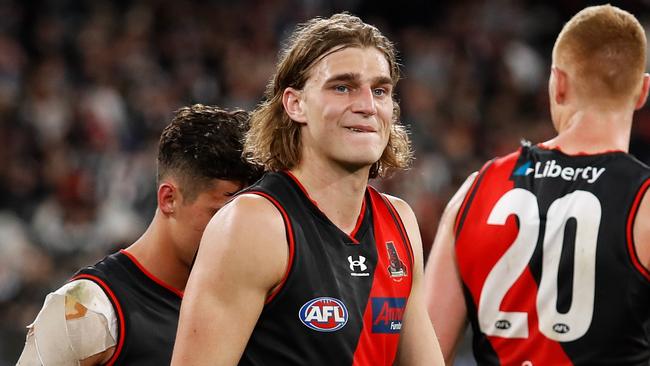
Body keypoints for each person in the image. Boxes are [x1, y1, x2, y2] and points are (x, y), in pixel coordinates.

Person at [172, 13, 444, 366]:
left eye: (380, 90)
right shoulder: (254, 225)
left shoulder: (399, 221)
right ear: (295, 104)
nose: (366, 105)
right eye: (342, 87)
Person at [425, 4, 650, 365]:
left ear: (558, 83)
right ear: (642, 91)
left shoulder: (476, 189)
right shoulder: (644, 204)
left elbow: (424, 354)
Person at [17, 104, 263, 365]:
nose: (237, 233)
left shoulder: (253, 307)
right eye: (220, 214)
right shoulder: (89, 308)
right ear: (169, 199)